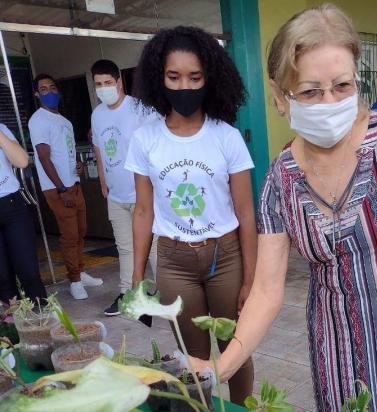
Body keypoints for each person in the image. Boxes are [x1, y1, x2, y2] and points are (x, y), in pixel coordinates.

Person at [191, 5, 377, 411]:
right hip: (335, 346)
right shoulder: (279, 181)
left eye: (341, 86)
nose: (328, 102)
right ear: (281, 97)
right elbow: (268, 290)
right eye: (309, 91)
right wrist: (222, 365)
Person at [126, 26, 256, 405]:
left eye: (194, 77)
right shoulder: (145, 139)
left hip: (226, 257)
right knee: (193, 355)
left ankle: (240, 407)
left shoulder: (226, 137)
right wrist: (137, 275)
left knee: (235, 349)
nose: (184, 86)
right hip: (174, 261)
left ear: (209, 79)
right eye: (174, 77)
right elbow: (143, 210)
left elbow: (247, 214)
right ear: (158, 78)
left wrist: (250, 279)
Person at [90, 59, 158, 316]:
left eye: (108, 82)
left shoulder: (140, 109)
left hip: (144, 194)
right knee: (126, 247)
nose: (104, 88)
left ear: (119, 82)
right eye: (99, 84)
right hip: (116, 195)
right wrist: (102, 179)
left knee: (153, 248)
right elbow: (99, 147)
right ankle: (127, 294)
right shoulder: (97, 114)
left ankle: (165, 293)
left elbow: (157, 142)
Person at [29, 74, 103, 300]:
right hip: (58, 189)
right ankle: (74, 280)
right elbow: (44, 157)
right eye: (43, 89)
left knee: (80, 232)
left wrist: (77, 166)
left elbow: (65, 152)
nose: (49, 92)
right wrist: (61, 189)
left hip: (73, 183)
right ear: (36, 94)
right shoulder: (39, 120)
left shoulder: (63, 120)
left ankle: (80, 271)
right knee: (70, 237)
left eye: (52, 87)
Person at [0, 123, 47, 304]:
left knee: (28, 268)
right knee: (2, 277)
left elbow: (22, 161)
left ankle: (42, 315)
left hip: (12, 205)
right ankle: (14, 324)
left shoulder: (2, 129)